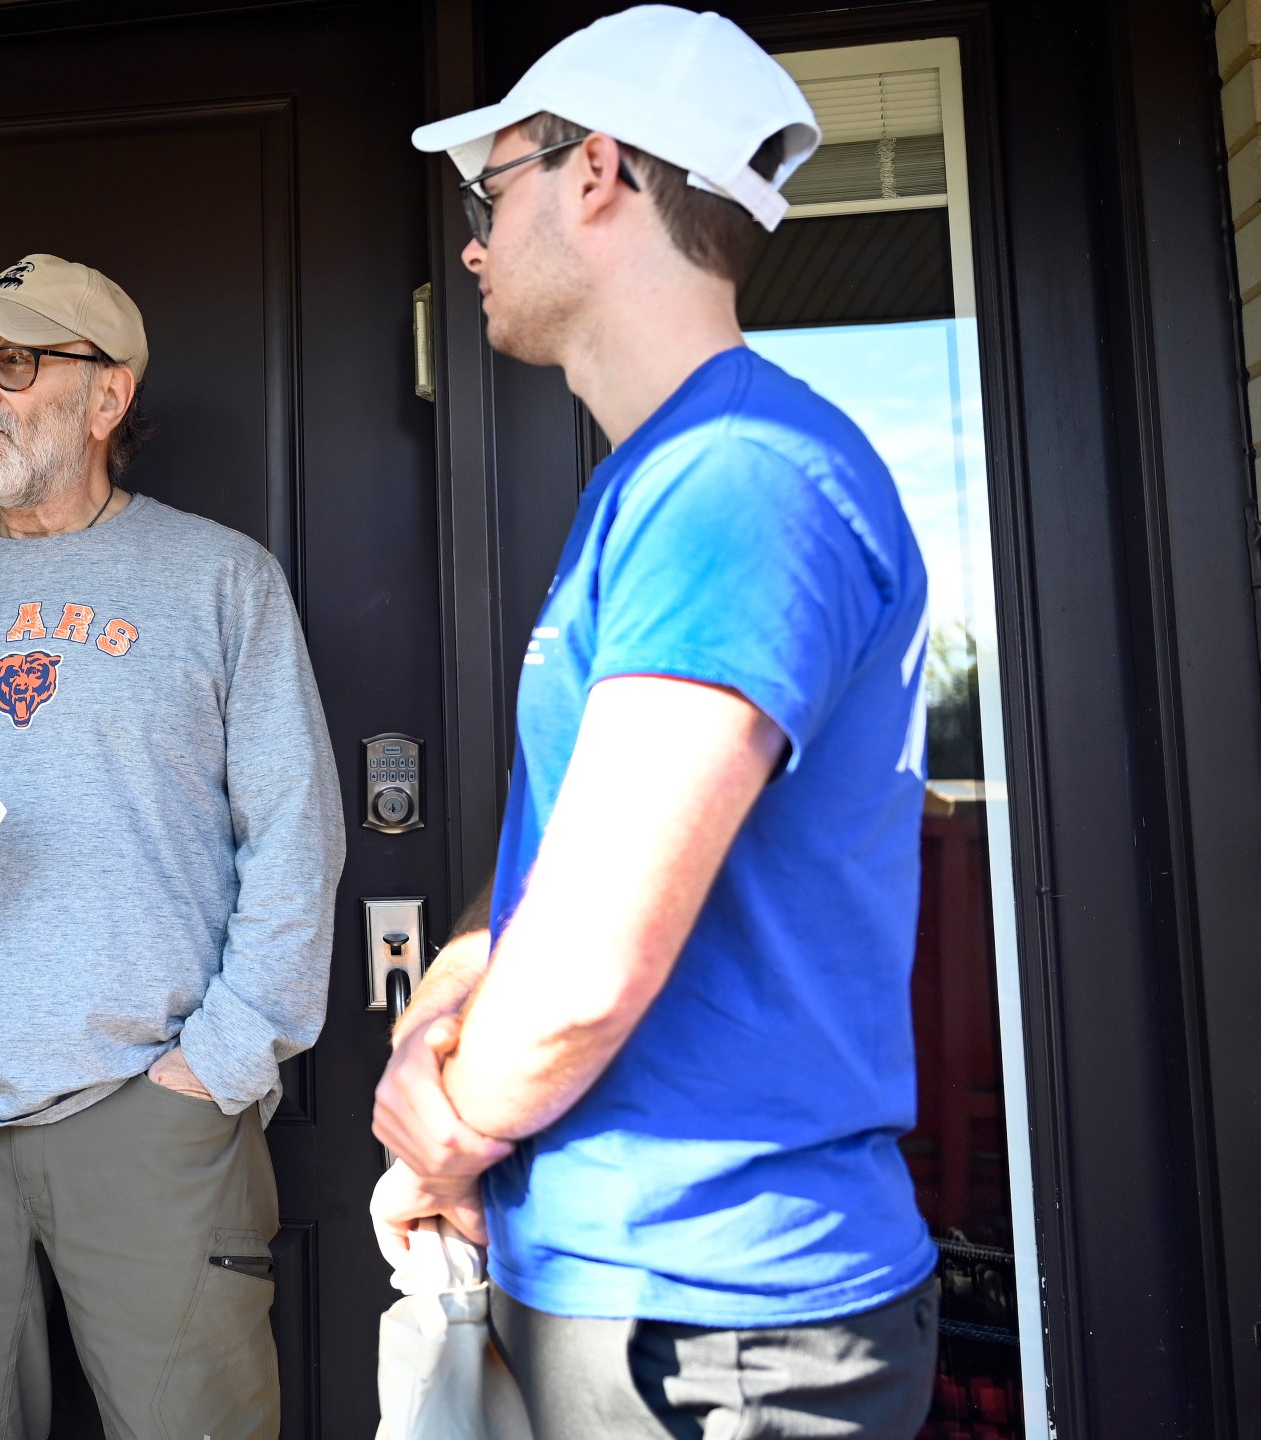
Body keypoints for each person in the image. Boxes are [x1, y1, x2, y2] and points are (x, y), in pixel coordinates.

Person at [373, 8, 942, 1437]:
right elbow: (549, 877)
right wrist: (428, 1030)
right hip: (629, 1290)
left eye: (488, 190)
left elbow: (582, 968)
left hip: (715, 1320)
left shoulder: (736, 479)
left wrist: (445, 1140)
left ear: (599, 173)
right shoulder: (660, 482)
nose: (472, 243)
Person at [0, 254, 343, 1440]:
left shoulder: (219, 580)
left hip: (146, 1105)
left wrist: (216, 1066)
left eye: (12, 363)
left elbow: (296, 836)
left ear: (106, 397)